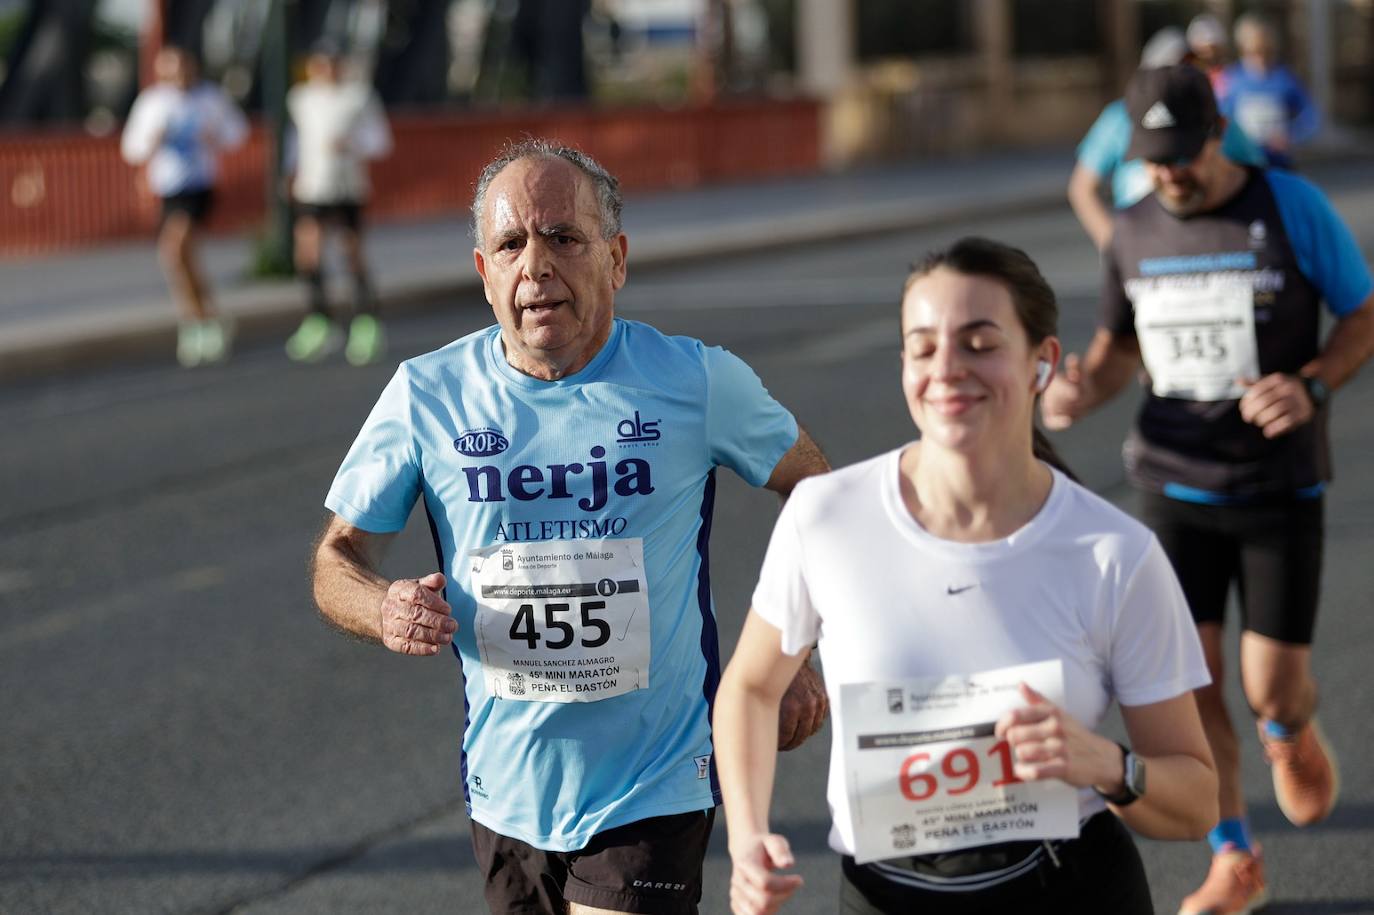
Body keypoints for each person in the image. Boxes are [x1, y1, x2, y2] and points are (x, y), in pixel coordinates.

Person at [310, 139, 831, 914]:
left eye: (563, 237)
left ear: (615, 260)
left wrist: (793, 653)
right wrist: (381, 606)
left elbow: (825, 497)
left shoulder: (696, 380)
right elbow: (335, 560)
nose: (536, 265)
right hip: (506, 788)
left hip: (655, 778)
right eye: (511, 244)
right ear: (486, 275)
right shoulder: (426, 395)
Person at [715, 236, 1218, 915]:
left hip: (1066, 889)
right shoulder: (827, 515)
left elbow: (1194, 802)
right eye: (923, 346)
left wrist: (1106, 764)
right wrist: (747, 840)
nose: (947, 368)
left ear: (1043, 362)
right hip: (883, 895)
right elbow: (749, 686)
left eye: (979, 343)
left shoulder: (1113, 552)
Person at [1042, 65, 1374, 915]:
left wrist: (1314, 385)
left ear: (1217, 135)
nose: (1169, 176)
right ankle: (1235, 858)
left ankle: (1288, 726)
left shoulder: (1288, 206)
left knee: (1267, 682)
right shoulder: (1132, 225)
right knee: (1191, 685)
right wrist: (1083, 389)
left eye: (1182, 157)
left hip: (1276, 484)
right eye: (1153, 161)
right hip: (1173, 480)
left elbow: (1364, 312)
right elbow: (1118, 344)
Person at [1068, 28, 1266, 251]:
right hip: (1145, 249)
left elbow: (1256, 171)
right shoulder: (1118, 119)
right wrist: (1115, 247)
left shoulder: (1211, 117)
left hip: (1209, 248)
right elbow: (1082, 188)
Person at [120, 45, 248, 368]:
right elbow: (132, 148)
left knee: (173, 250)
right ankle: (205, 319)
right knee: (183, 259)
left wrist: (214, 136)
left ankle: (197, 321)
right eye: (169, 70)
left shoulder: (209, 98)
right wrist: (152, 139)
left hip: (198, 187)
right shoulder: (153, 102)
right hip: (167, 188)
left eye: (181, 69)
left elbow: (237, 133)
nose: (176, 76)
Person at [284, 39, 393, 366]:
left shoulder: (358, 96)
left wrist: (352, 143)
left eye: (331, 63)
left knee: (350, 252)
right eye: (320, 63)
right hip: (312, 186)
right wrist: (289, 172)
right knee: (307, 251)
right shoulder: (301, 98)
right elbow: (297, 138)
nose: (326, 70)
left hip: (346, 186)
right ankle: (320, 319)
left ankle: (366, 322)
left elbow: (380, 140)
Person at [1219, 13, 1320, 170]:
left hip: (1279, 164)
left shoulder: (1285, 79)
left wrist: (1291, 136)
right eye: (1254, 52)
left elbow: (1311, 117)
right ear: (1243, 49)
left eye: (1267, 52)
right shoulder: (1232, 80)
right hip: (1245, 165)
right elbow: (1221, 118)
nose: (1261, 59)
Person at [1186, 14, 1232, 99]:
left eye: (1213, 48)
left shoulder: (1228, 75)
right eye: (1203, 49)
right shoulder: (1187, 76)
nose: (1208, 54)